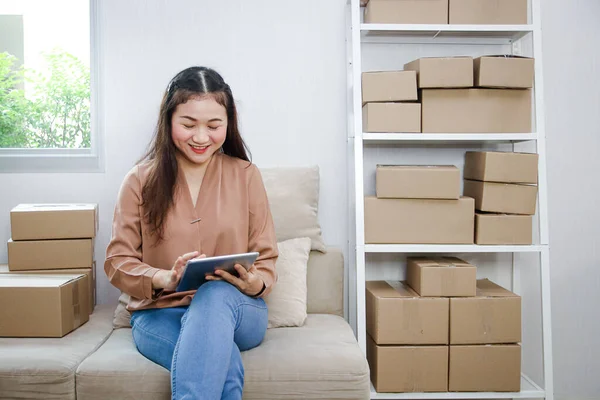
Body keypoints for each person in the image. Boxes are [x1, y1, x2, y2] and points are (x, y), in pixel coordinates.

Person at [104, 66, 278, 400]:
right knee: (221, 367)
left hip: (238, 310)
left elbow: (267, 256)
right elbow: (117, 260)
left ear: (229, 123)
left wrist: (253, 282)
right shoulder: (139, 180)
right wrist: (164, 278)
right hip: (161, 313)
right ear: (168, 121)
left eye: (214, 126)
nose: (201, 137)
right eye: (188, 124)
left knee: (214, 294)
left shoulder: (246, 175)